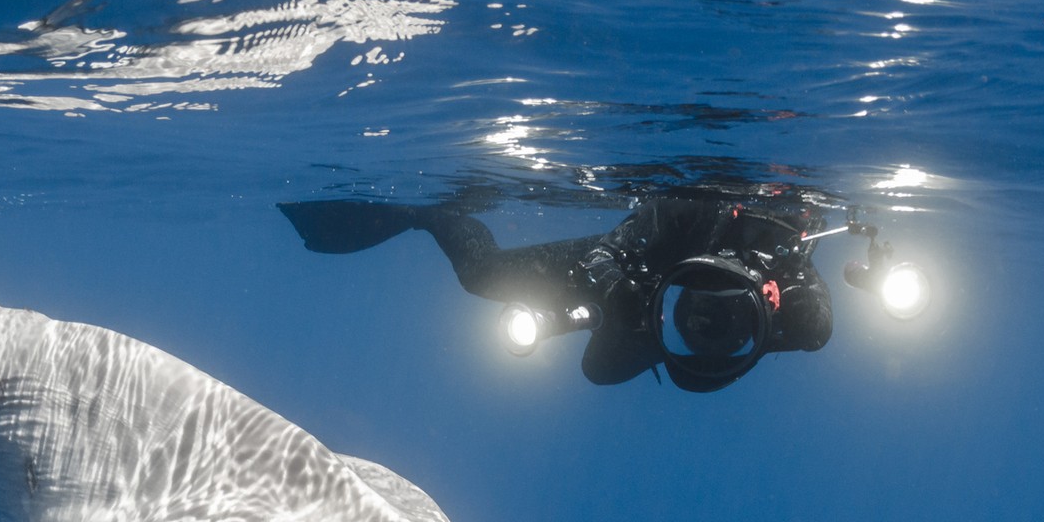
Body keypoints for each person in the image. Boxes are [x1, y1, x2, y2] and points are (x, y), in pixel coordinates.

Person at [279, 194, 833, 392]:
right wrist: (618, 284)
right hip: (635, 265)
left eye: (698, 330)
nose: (710, 317)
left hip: (640, 292)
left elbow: (600, 369)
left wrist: (635, 311)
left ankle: (427, 214)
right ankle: (432, 213)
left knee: (599, 366)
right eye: (717, 313)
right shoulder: (704, 216)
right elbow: (607, 253)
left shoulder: (783, 292)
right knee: (482, 273)